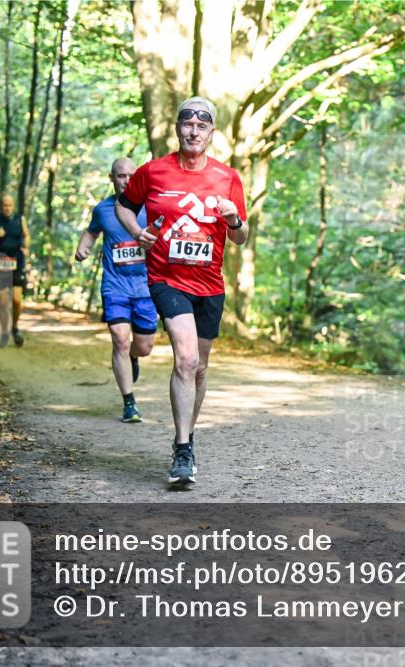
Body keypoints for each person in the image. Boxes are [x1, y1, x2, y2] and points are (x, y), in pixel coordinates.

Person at [115, 96, 248, 485]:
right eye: (187, 123)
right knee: (186, 359)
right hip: (166, 278)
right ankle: (183, 448)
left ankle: (185, 440)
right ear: (177, 128)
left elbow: (241, 237)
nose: (193, 130)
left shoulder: (227, 178)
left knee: (201, 367)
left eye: (202, 125)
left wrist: (234, 218)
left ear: (211, 133)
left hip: (210, 284)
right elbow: (125, 206)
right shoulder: (154, 172)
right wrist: (136, 231)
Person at [74, 158, 156, 423]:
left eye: (132, 175)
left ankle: (133, 357)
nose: (127, 181)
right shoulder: (103, 209)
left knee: (143, 347)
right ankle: (129, 402)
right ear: (112, 178)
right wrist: (83, 246)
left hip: (146, 287)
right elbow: (91, 232)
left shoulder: (150, 206)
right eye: (121, 176)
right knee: (120, 338)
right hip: (115, 286)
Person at [0, 194, 30, 348]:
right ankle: (4, 333)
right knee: (3, 302)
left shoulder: (20, 219)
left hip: (16, 262)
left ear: (13, 205)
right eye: (4, 205)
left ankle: (14, 328)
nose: (7, 208)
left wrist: (25, 245)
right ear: (0, 206)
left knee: (16, 300)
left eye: (10, 205)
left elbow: (27, 235)